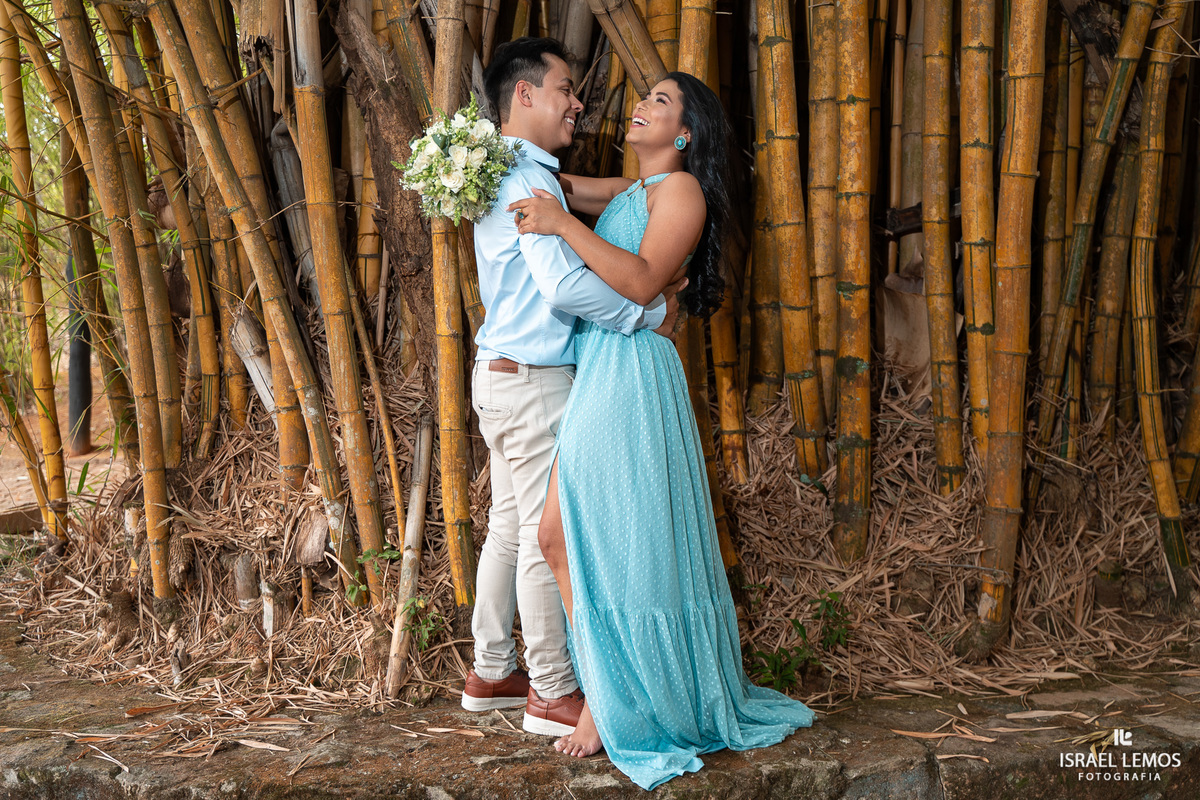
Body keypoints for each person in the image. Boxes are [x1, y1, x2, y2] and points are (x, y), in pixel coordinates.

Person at [507, 72, 815, 790]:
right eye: (646, 95)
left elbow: (645, 281)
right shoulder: (631, 190)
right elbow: (551, 180)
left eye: (661, 101)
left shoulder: (682, 191)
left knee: (597, 540)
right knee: (560, 538)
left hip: (633, 372)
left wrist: (561, 225)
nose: (642, 105)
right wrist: (485, 153)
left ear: (686, 134)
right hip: (601, 366)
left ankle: (609, 704)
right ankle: (610, 691)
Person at [460, 37, 684, 739]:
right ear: (525, 94)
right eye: (565, 88)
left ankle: (491, 671)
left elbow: (612, 194)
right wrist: (643, 314)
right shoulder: (528, 180)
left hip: (498, 373)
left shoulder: (511, 169)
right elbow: (560, 284)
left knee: (506, 526)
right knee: (541, 534)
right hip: (533, 379)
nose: (578, 102)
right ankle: (552, 690)